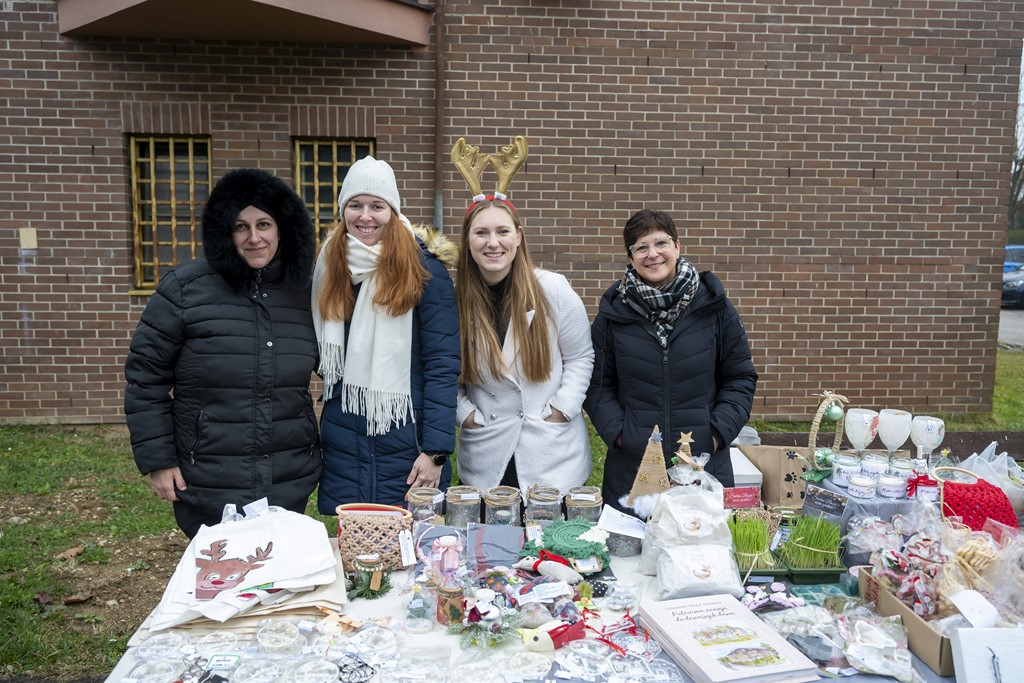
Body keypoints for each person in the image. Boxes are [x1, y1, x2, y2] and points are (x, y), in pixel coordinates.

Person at [124, 168, 322, 538]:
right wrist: (159, 460)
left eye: (264, 224)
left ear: (282, 228)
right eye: (240, 226)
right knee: (219, 585)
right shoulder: (184, 290)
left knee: (280, 583)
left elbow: (343, 367)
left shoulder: (307, 294)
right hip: (208, 479)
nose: (254, 238)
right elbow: (145, 380)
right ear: (223, 231)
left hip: (288, 475)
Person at [584, 209, 758, 515]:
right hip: (633, 469)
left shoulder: (714, 307)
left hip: (702, 467)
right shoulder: (614, 315)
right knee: (630, 557)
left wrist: (715, 435)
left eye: (660, 243)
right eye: (641, 247)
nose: (652, 254)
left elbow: (739, 377)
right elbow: (598, 385)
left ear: (677, 246)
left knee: (699, 556)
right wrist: (621, 435)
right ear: (631, 257)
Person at [312, 156, 459, 513]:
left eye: (377, 206)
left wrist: (436, 451)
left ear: (392, 211)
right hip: (345, 435)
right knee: (356, 551)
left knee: (410, 552)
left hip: (407, 438)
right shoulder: (329, 267)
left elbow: (442, 363)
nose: (365, 216)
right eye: (355, 205)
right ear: (343, 209)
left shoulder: (425, 271)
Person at [455, 198, 595, 494]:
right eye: (481, 233)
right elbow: (442, 366)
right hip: (486, 449)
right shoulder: (456, 300)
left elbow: (581, 356)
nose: (493, 243)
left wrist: (563, 408)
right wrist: (465, 414)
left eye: (502, 231)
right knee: (486, 537)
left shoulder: (553, 289)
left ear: (519, 237)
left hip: (549, 449)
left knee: (552, 539)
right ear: (468, 240)